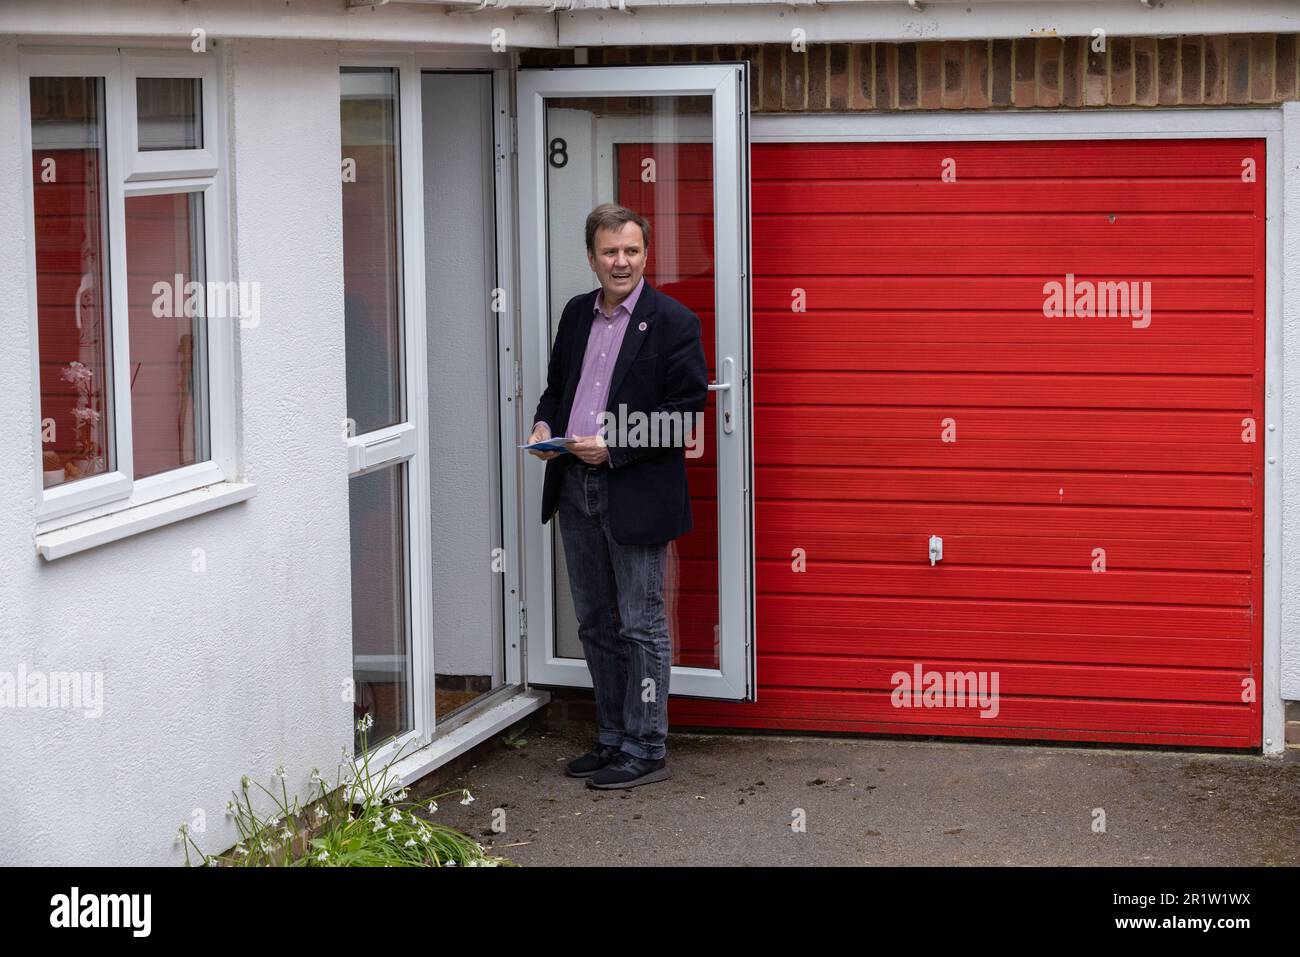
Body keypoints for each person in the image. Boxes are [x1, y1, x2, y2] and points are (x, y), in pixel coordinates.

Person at [528, 202, 708, 789]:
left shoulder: (673, 321)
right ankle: (611, 738)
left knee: (641, 624)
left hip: (634, 489)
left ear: (645, 254)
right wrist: (542, 426)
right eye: (610, 252)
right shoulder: (577, 313)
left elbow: (685, 416)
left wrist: (615, 447)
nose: (621, 261)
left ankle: (646, 746)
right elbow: (559, 387)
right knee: (596, 624)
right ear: (592, 257)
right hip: (574, 486)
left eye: (631, 250)